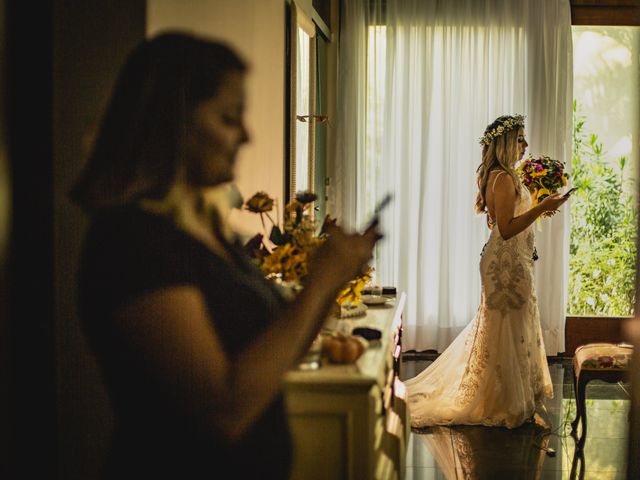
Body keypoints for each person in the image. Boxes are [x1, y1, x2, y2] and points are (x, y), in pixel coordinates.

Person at [70, 32, 380, 479]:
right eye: (229, 118)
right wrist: (320, 282)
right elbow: (225, 412)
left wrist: (335, 275)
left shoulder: (209, 233)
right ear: (172, 122)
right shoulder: (133, 243)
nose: (247, 134)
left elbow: (275, 356)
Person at [405, 114, 569, 429]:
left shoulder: (503, 175)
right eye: (520, 139)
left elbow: (501, 223)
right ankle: (504, 401)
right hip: (505, 263)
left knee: (513, 326)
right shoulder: (504, 178)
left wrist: (538, 202)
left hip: (512, 259)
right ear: (507, 142)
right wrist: (541, 208)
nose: (525, 145)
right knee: (506, 327)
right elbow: (505, 230)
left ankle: (514, 398)